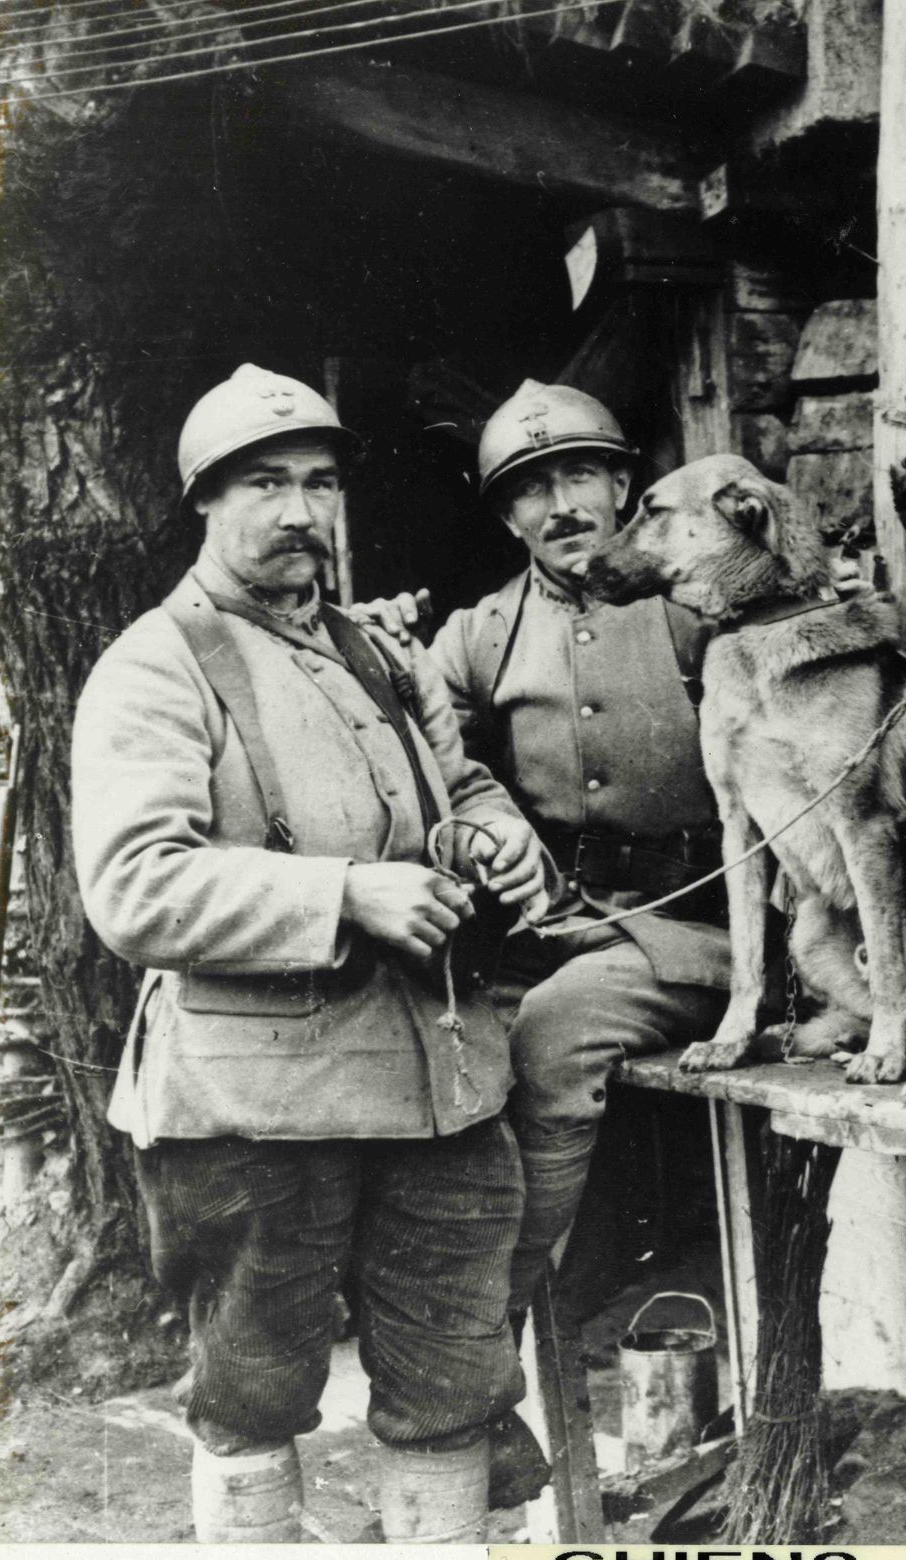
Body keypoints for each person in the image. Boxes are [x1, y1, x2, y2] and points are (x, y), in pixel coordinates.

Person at [72, 363, 551, 1543]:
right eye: (265, 484)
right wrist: (347, 894)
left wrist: (496, 834)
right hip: (252, 1105)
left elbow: (461, 778)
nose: (299, 510)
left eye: (319, 483)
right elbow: (134, 885)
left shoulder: (378, 651)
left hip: (435, 1088)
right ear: (204, 503)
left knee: (453, 1393)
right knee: (250, 1397)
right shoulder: (156, 663)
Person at [359, 380, 728, 1330]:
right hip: (559, 923)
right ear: (508, 516)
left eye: (580, 476)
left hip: (706, 927)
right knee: (432, 1035)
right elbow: (404, 753)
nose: (560, 505)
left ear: (621, 485)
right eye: (531, 489)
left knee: (556, 1031)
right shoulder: (481, 634)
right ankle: (466, 1318)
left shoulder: (700, 601)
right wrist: (373, 650)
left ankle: (496, 1324)